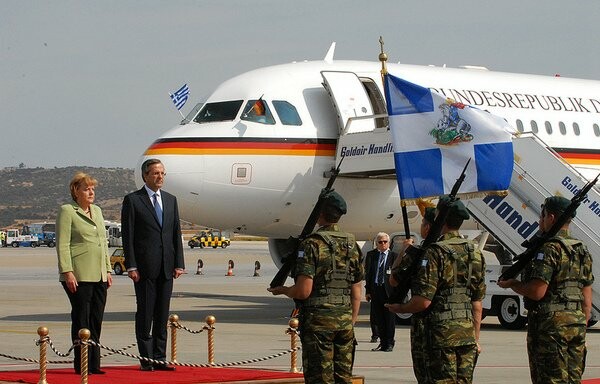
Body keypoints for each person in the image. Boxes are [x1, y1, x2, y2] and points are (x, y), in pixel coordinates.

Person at [268, 191, 364, 383]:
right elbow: (356, 291)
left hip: (319, 323)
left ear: (320, 214)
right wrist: (350, 321)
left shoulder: (312, 244)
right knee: (343, 378)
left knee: (320, 379)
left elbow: (304, 291)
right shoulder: (352, 244)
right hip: (345, 322)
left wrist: (285, 290)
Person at [386, 197, 486, 383]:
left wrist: (400, 309)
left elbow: (422, 301)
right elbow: (477, 304)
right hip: (466, 336)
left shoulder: (434, 252)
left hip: (439, 336)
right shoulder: (475, 252)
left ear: (441, 217)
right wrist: (475, 338)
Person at [498, 196, 594, 383]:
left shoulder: (549, 249)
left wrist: (513, 284)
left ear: (551, 217)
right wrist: (580, 325)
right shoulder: (582, 249)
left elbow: (537, 291)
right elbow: (586, 299)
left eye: (542, 217)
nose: (540, 221)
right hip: (576, 326)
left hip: (551, 329)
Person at [121, 158, 185, 372]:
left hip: (167, 267)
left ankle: (159, 357)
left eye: (162, 173)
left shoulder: (170, 200)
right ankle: (146, 359)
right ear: (145, 175)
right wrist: (131, 266)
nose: (160, 177)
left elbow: (175, 233)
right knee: (145, 313)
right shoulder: (133, 200)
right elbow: (128, 236)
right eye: (156, 173)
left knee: (162, 314)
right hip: (144, 268)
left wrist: (179, 263)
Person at [56, 172, 112, 374]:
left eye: (93, 189)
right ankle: (82, 364)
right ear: (76, 191)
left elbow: (102, 243)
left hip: (99, 274)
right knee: (82, 318)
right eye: (86, 188)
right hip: (78, 274)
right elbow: (62, 244)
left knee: (96, 318)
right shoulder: (67, 211)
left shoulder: (96, 210)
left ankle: (94, 364)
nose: (91, 192)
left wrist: (107, 269)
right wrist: (67, 271)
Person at [388, 206, 435, 383]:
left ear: (428, 227)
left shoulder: (422, 253)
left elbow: (394, 279)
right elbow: (477, 304)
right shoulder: (472, 252)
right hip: (463, 334)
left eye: (423, 223)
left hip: (430, 331)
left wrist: (404, 251)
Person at [364, 232, 398, 352]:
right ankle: (383, 343)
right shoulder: (371, 255)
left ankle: (390, 342)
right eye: (380, 242)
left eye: (385, 242)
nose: (383, 244)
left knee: (389, 318)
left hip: (388, 290)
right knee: (379, 318)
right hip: (376, 289)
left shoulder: (394, 256)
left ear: (388, 243)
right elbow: (369, 274)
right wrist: (368, 291)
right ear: (376, 243)